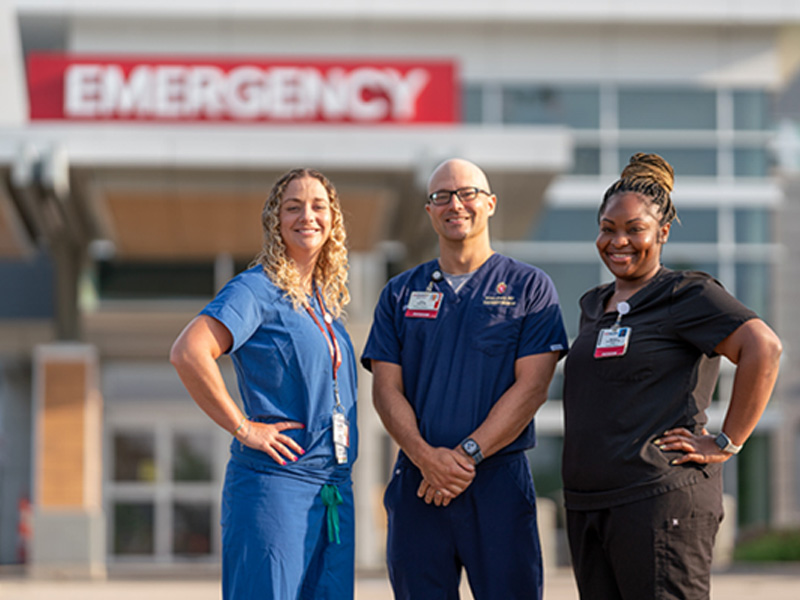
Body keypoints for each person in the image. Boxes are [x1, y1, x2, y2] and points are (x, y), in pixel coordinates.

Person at [562, 153, 782, 600]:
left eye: (634, 229)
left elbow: (763, 347)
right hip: (590, 505)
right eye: (607, 228)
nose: (618, 240)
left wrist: (726, 441)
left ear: (661, 233)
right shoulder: (593, 304)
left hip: (657, 500)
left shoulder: (686, 293)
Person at [361, 158, 569, 600]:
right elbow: (385, 390)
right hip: (418, 483)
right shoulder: (399, 293)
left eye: (467, 193)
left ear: (490, 203)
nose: (455, 204)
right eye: (442, 196)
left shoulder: (530, 287)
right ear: (429, 211)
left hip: (497, 484)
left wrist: (465, 456)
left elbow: (532, 387)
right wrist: (425, 458)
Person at [169, 168, 358, 600]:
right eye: (292, 207)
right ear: (275, 220)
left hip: (331, 492)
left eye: (318, 206)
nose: (306, 216)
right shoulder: (256, 289)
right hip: (277, 489)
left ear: (334, 221)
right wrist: (243, 427)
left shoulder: (323, 302)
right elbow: (188, 352)